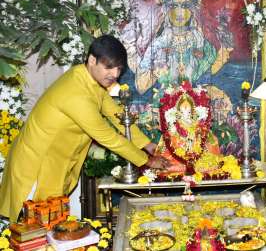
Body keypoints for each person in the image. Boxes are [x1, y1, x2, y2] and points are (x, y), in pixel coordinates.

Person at [0, 35, 169, 222]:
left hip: (53, 161)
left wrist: (147, 144)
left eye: (119, 69)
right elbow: (108, 137)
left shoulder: (89, 80)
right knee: (33, 228)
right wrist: (146, 160)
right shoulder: (76, 91)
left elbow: (116, 114)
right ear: (91, 60)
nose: (114, 74)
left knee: (51, 223)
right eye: (108, 67)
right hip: (34, 166)